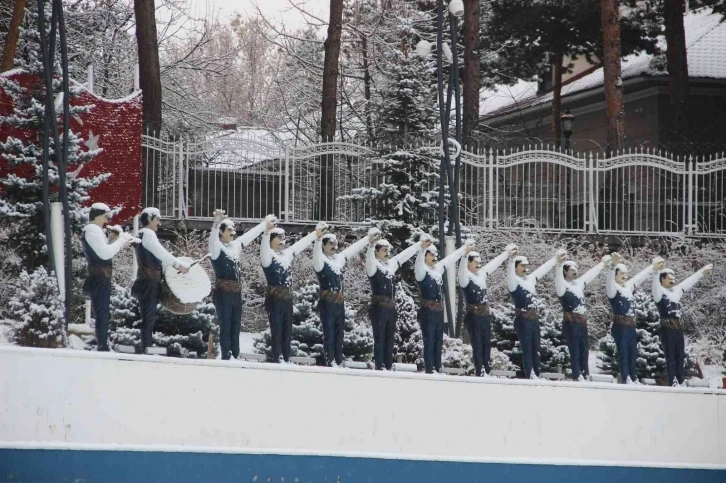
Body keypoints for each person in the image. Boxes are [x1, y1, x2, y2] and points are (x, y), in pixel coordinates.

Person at [209, 210, 275, 360]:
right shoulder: (216, 247)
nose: (233, 232)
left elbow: (250, 235)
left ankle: (235, 353)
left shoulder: (235, 246)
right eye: (229, 229)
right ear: (221, 231)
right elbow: (212, 239)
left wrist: (265, 224)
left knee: (236, 324)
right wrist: (216, 223)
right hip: (223, 292)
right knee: (225, 324)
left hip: (236, 293)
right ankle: (226, 354)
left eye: (233, 229)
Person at [261, 220, 327, 363]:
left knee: (287, 331)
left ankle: (285, 357)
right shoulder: (268, 256)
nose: (282, 241)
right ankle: (277, 356)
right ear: (271, 240)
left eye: (283, 238)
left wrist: (316, 234)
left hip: (287, 300)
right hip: (275, 299)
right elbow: (264, 248)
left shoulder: (286, 255)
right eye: (279, 238)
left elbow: (300, 244)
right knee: (277, 330)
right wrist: (266, 232)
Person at [132, 207, 190, 354]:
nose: (159, 222)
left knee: (149, 316)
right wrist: (178, 264)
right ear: (150, 219)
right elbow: (161, 253)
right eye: (157, 219)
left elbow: (159, 257)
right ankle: (146, 347)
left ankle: (147, 345)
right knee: (148, 317)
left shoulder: (145, 235)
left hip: (149, 281)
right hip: (148, 282)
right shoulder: (148, 234)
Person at [313, 226, 372, 367]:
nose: (334, 246)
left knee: (339, 333)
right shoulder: (320, 261)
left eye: (335, 243)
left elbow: (352, 249)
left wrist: (367, 239)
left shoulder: (338, 260)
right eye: (330, 244)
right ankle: (330, 360)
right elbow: (316, 253)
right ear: (324, 246)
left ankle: (339, 359)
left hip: (339, 303)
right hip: (327, 302)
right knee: (329, 333)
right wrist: (318, 238)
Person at [81, 203, 135, 351]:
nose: (107, 221)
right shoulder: (92, 230)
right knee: (102, 313)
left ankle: (102, 344)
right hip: (98, 278)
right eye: (106, 217)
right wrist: (122, 240)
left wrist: (112, 240)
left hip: (100, 277)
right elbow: (105, 254)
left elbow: (104, 252)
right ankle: (102, 346)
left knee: (103, 313)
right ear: (98, 216)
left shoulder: (95, 231)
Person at [415, 237, 473, 374]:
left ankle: (437, 366)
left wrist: (464, 249)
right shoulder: (422, 271)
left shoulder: (437, 270)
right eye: (431, 254)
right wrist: (422, 249)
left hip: (438, 312)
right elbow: (418, 263)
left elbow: (450, 259)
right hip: (427, 311)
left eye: (436, 254)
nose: (435, 257)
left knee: (438, 340)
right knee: (429, 340)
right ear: (425, 256)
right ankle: (429, 368)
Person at [365, 229, 422, 370]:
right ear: (377, 251)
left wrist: (419, 245)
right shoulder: (374, 266)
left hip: (391, 308)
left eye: (388, 249)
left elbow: (404, 255)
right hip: (378, 307)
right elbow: (369, 260)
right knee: (379, 339)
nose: (387, 252)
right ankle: (379, 365)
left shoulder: (390, 266)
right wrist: (371, 245)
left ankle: (388, 365)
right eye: (384, 250)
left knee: (389, 339)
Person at [458, 244, 517, 377]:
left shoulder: (481, 275)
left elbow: (493, 265)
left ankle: (486, 368)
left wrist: (506, 254)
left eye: (480, 262)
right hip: (473, 316)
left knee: (486, 344)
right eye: (476, 262)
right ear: (468, 263)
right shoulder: (465, 277)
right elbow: (461, 270)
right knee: (477, 344)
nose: (479, 265)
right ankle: (480, 370)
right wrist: (464, 254)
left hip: (485, 316)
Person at [652, 262, 713, 386]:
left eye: (674, 277)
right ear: (662, 279)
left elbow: (688, 282)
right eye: (670, 277)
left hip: (677, 328)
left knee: (680, 355)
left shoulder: (675, 292)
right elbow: (655, 286)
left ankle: (680, 379)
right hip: (666, 328)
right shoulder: (660, 294)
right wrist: (656, 271)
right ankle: (672, 380)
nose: (673, 280)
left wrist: (701, 272)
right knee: (670, 356)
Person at [605, 253, 662, 384]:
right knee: (623, 353)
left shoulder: (628, 287)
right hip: (620, 325)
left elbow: (640, 277)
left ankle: (633, 376)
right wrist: (613, 265)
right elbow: (608, 280)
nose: (625, 276)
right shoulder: (613, 289)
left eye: (626, 273)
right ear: (615, 275)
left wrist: (652, 267)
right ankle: (626, 377)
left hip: (631, 325)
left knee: (632, 352)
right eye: (621, 274)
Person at [507, 248, 564, 379]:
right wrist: (511, 260)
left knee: (536, 348)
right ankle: (530, 373)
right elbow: (509, 274)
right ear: (515, 268)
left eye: (526, 265)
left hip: (534, 319)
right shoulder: (514, 282)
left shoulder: (530, 280)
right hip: (523, 319)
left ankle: (536, 372)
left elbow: (542, 270)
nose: (525, 268)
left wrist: (555, 260)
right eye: (522, 265)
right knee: (527, 348)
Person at [555, 253, 610, 381]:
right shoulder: (562, 286)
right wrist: (558, 265)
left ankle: (585, 373)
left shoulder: (579, 284)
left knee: (584, 350)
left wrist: (602, 264)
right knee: (574, 349)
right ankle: (577, 374)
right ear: (565, 271)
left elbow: (590, 275)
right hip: (571, 323)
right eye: (572, 270)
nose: (575, 272)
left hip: (582, 323)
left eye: (576, 269)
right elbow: (558, 278)